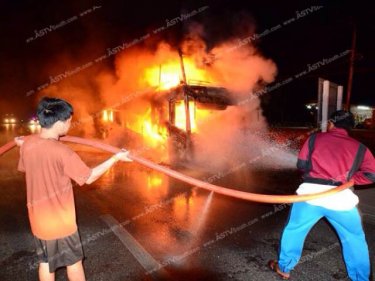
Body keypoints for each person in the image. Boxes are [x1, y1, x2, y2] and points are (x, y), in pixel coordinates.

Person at [15, 97, 132, 281]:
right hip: (60, 223)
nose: (70, 124)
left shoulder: (28, 145)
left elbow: (26, 165)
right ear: (60, 123)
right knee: (74, 263)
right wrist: (115, 158)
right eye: (68, 121)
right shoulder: (63, 153)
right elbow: (89, 177)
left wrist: (23, 144)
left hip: (38, 220)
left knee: (46, 263)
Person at [269, 110, 375, 280]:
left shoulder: (314, 139)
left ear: (332, 123)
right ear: (350, 128)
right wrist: (350, 180)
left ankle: (284, 268)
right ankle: (361, 278)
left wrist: (315, 174)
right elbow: (372, 174)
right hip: (341, 200)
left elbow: (302, 164)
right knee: (355, 238)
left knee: (294, 230)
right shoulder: (361, 148)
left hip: (309, 197)